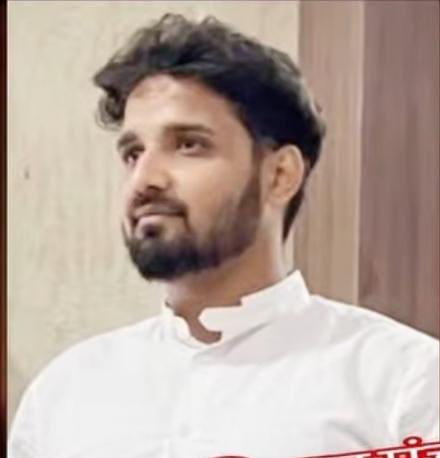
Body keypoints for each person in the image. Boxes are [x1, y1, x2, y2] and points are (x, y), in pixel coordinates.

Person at [9, 13, 439, 458]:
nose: (145, 179)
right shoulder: (63, 396)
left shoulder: (404, 384)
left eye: (189, 144)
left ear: (280, 175)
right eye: (133, 153)